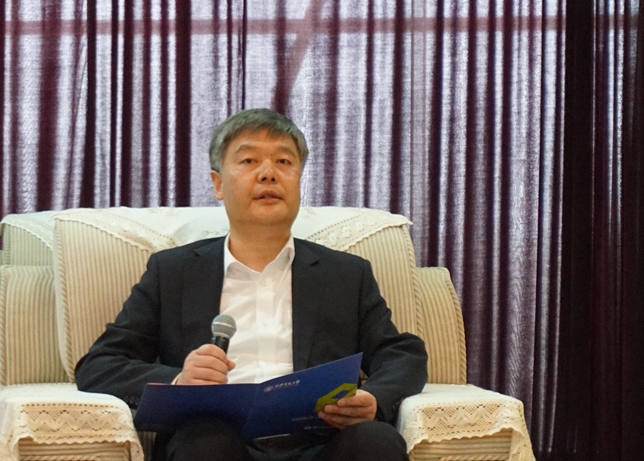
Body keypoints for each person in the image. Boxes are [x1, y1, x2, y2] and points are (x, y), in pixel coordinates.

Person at [75, 109, 427, 461]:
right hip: (214, 442)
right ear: (217, 184)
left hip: (322, 443)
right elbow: (100, 364)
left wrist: (374, 398)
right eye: (248, 160)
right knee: (204, 444)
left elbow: (401, 354)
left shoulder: (346, 274)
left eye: (284, 162)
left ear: (299, 181)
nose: (268, 173)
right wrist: (179, 380)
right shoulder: (173, 272)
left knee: (375, 441)